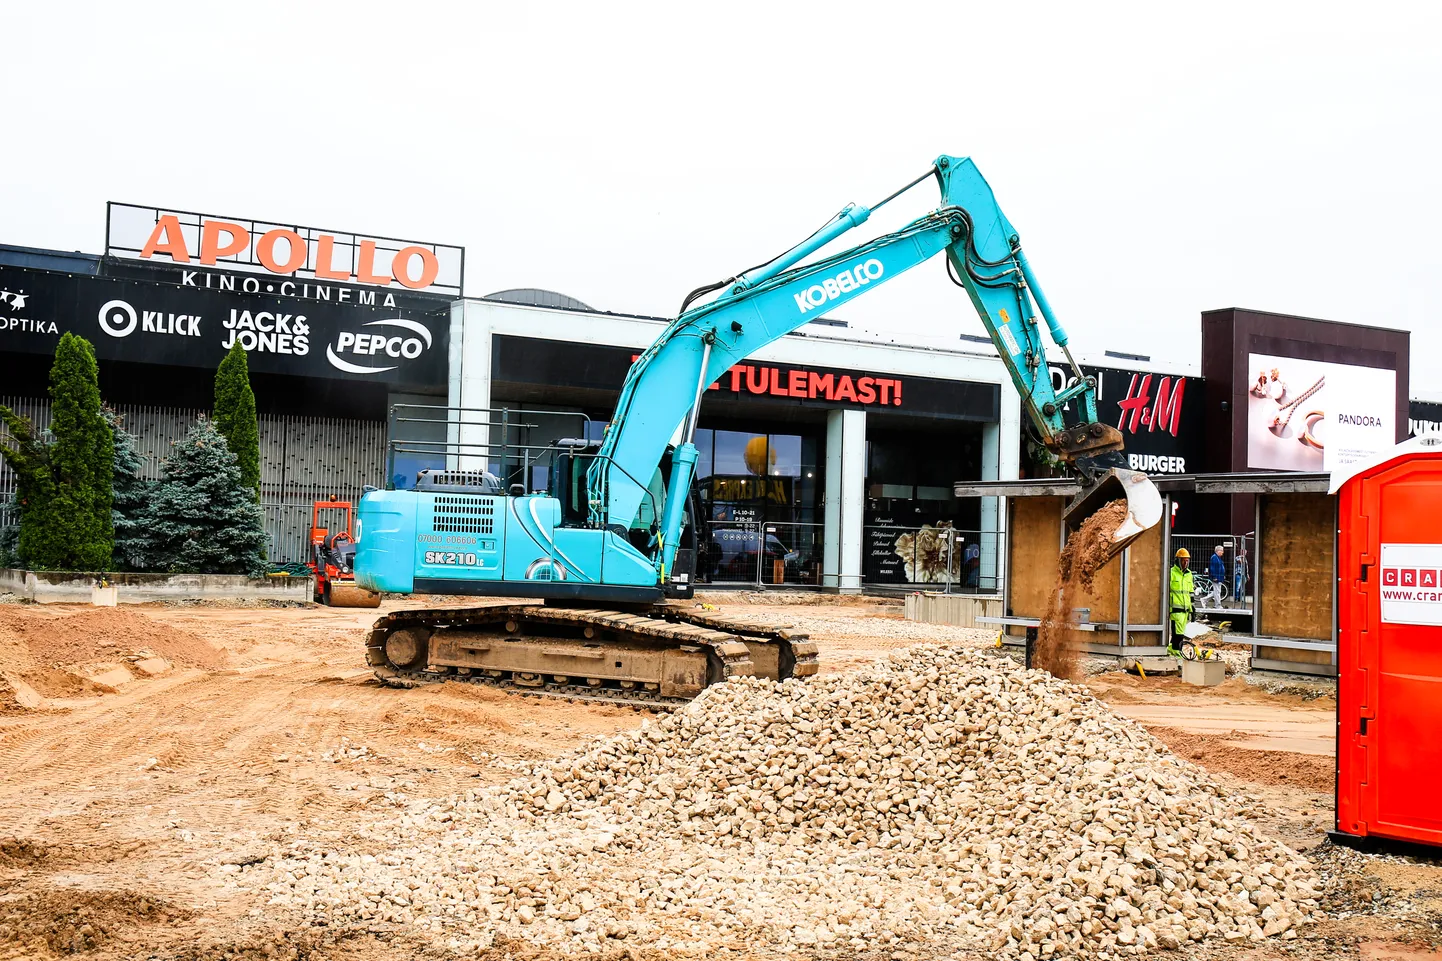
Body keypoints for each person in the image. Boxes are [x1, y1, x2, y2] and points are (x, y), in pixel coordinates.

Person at [1169, 548, 1194, 651]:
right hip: (1175, 609)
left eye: (1187, 560)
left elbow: (1191, 592)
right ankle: (1176, 650)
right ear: (1178, 560)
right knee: (1178, 632)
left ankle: (1173, 649)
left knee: (1180, 632)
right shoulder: (1171, 573)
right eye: (1183, 560)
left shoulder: (1189, 574)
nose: (1186, 563)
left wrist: (1192, 609)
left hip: (1185, 610)